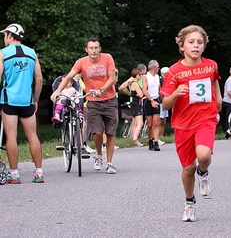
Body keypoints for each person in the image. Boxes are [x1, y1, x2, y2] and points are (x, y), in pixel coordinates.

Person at [160, 25, 222, 222]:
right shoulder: (174, 72)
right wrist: (176, 94)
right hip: (183, 124)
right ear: (182, 46)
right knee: (187, 168)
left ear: (204, 46)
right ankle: (189, 202)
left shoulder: (211, 65)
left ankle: (203, 172)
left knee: (203, 155)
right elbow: (165, 103)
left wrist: (218, 102)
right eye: (191, 42)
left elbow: (214, 83)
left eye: (200, 42)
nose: (196, 46)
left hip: (206, 118)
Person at [51, 37, 118, 174]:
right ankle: (99, 155)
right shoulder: (81, 62)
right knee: (97, 133)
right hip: (92, 102)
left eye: (96, 48)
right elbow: (69, 77)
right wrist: (58, 91)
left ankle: (109, 163)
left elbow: (112, 78)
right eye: (91, 48)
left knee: (110, 133)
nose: (94, 51)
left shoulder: (107, 58)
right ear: (86, 50)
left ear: (100, 49)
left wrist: (101, 90)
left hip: (109, 100)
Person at [0, 23, 44, 183]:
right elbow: (39, 79)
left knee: (11, 136)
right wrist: (36, 99)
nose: (4, 38)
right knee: (32, 136)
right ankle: (39, 173)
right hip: (27, 101)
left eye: (5, 35)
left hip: (9, 100)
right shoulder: (32, 53)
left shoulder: (3, 53)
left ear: (10, 35)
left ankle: (14, 174)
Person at [142, 60, 161, 151]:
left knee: (156, 122)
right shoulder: (145, 77)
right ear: (154, 68)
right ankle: (150, 140)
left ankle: (156, 142)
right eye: (158, 67)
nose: (158, 69)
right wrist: (151, 100)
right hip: (148, 100)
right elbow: (144, 90)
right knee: (149, 124)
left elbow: (159, 89)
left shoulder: (157, 77)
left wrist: (162, 100)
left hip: (156, 99)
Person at [128, 68, 144, 147]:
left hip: (135, 104)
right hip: (136, 104)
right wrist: (140, 94)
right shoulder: (135, 84)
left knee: (134, 122)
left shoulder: (134, 83)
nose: (141, 76)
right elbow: (141, 95)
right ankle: (135, 138)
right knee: (140, 123)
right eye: (139, 74)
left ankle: (133, 139)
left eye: (141, 74)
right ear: (135, 75)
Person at [159, 67, 169, 140]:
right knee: (160, 120)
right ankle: (158, 136)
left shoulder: (166, 81)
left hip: (165, 101)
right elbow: (160, 92)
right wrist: (163, 102)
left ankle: (162, 136)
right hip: (161, 102)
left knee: (164, 121)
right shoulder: (161, 80)